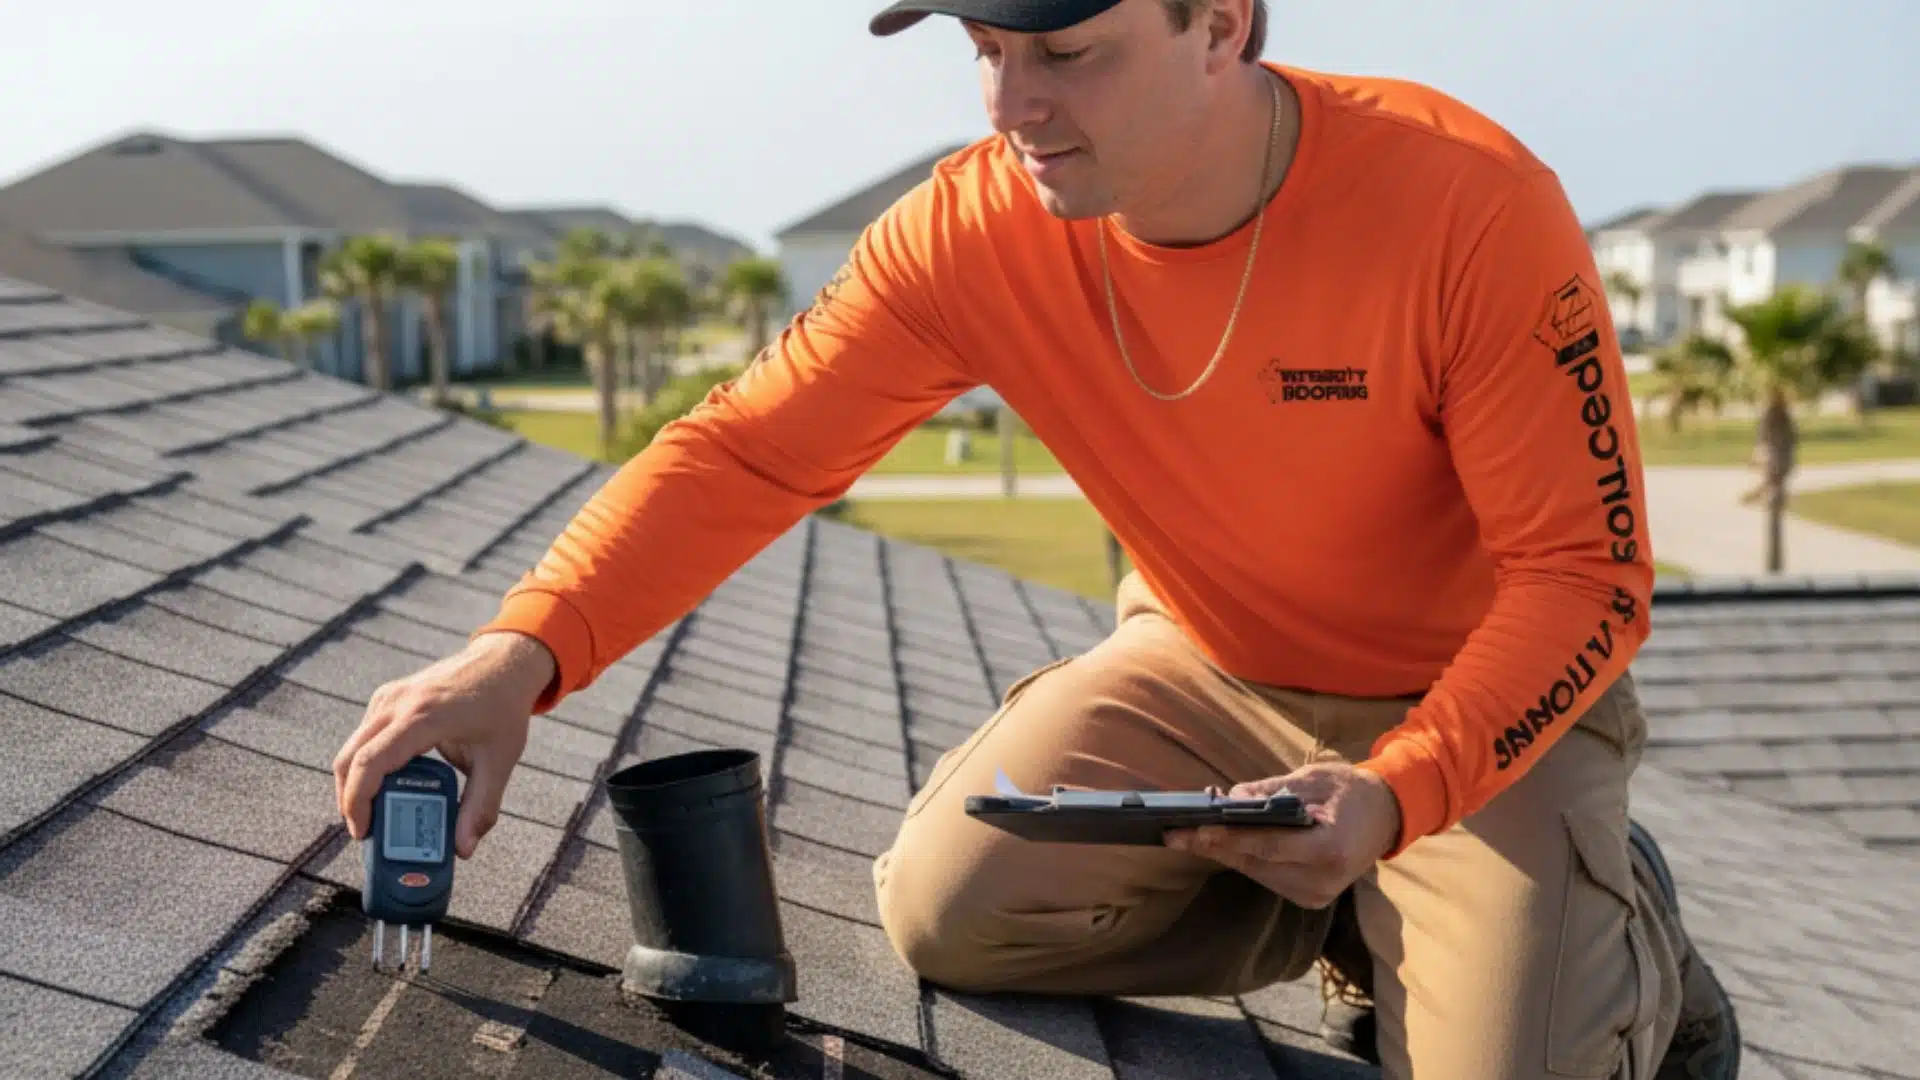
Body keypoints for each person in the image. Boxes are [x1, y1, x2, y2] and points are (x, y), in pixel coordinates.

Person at [331, 2, 1742, 1077]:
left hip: (1476, 709)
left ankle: (1615, 933)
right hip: (1212, 669)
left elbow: (1585, 582)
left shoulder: (1466, 202)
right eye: (984, 48)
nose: (1015, 102)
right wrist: (516, 656)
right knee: (953, 916)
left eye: (1066, 50)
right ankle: (1373, 915)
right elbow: (748, 450)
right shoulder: (972, 229)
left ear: (1221, 24)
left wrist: (1400, 790)